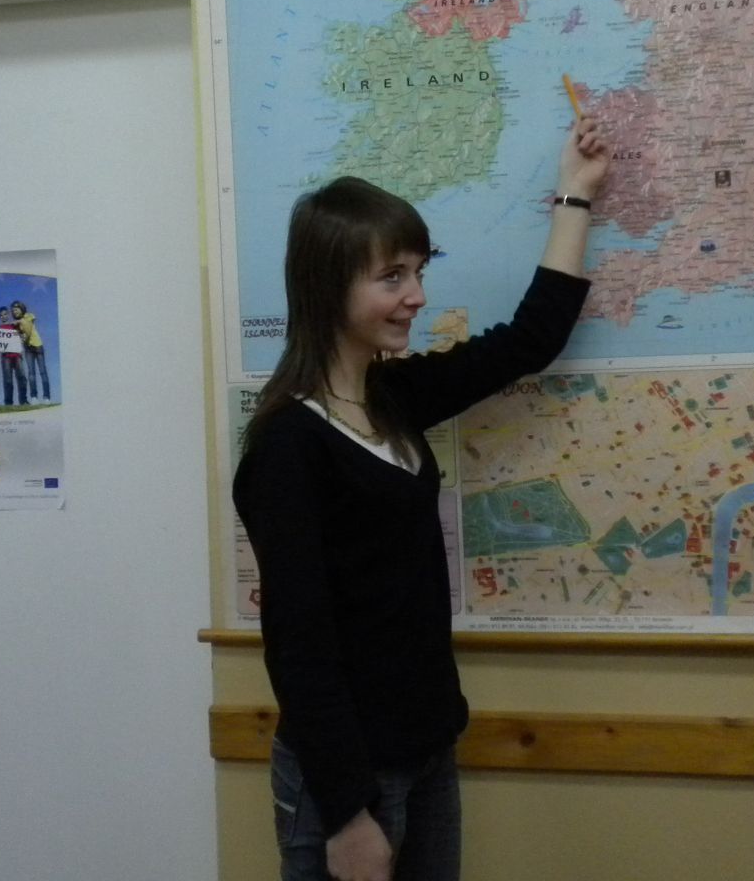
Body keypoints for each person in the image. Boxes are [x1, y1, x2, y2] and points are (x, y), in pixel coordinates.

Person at [234, 117, 608, 881]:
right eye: (393, 277)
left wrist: (575, 192)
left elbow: (530, 340)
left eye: (418, 271)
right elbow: (300, 646)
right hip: (346, 780)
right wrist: (346, 814)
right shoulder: (287, 445)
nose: (417, 296)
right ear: (328, 287)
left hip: (428, 749)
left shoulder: (393, 397)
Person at [13, 300, 51, 404]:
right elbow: (19, 336)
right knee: (31, 373)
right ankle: (34, 397)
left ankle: (46, 397)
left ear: (21, 308)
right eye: (13, 311)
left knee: (42, 371)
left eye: (16, 309)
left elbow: (28, 331)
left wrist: (19, 322)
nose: (15, 312)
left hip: (37, 345)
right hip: (28, 349)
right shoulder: (16, 323)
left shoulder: (29, 316)